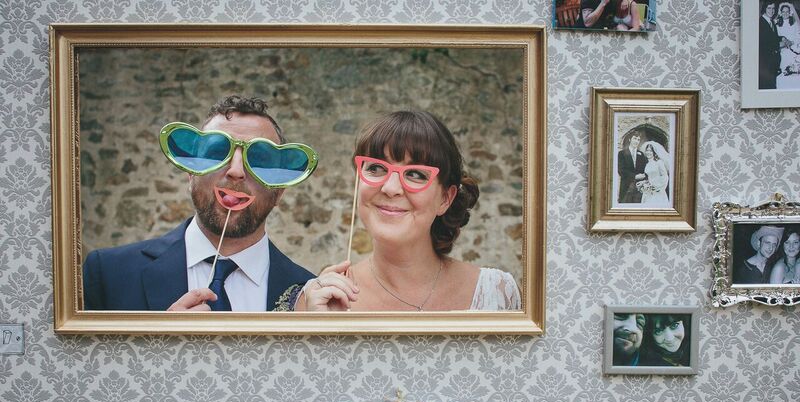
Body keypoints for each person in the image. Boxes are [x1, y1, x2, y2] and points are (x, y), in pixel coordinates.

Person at [82, 95, 314, 311]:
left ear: (280, 191)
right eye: (217, 153)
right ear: (191, 174)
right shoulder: (109, 273)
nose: (236, 171)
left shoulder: (305, 294)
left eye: (259, 160)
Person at [293, 110, 521, 312]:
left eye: (415, 174)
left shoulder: (498, 294)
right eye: (375, 168)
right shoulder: (317, 301)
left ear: (445, 198)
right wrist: (320, 332)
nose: (390, 188)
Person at [617, 131, 647, 204]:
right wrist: (635, 176)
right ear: (630, 139)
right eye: (635, 138)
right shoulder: (622, 153)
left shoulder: (641, 154)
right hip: (626, 187)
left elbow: (645, 169)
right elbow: (621, 170)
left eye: (638, 139)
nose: (636, 141)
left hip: (638, 188)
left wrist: (643, 176)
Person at [637, 141, 670, 207]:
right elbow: (649, 177)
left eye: (650, 151)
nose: (648, 153)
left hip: (657, 190)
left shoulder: (659, 162)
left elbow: (665, 176)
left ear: (654, 152)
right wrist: (643, 182)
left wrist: (656, 186)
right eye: (647, 151)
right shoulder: (647, 164)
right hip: (647, 191)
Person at [760, 2, 782, 89]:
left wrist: (782, 38)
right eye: (769, 8)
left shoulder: (771, 22)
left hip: (772, 64)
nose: (772, 11)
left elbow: (772, 37)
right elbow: (763, 44)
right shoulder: (760, 23)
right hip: (765, 65)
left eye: (773, 8)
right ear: (764, 9)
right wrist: (780, 45)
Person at [776, 3, 800, 84]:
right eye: (783, 11)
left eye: (787, 11)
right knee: (784, 74)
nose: (785, 13)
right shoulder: (777, 25)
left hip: (793, 51)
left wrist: (792, 42)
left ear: (790, 12)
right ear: (780, 12)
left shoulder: (794, 24)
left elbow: (798, 37)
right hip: (782, 51)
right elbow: (776, 38)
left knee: (794, 74)